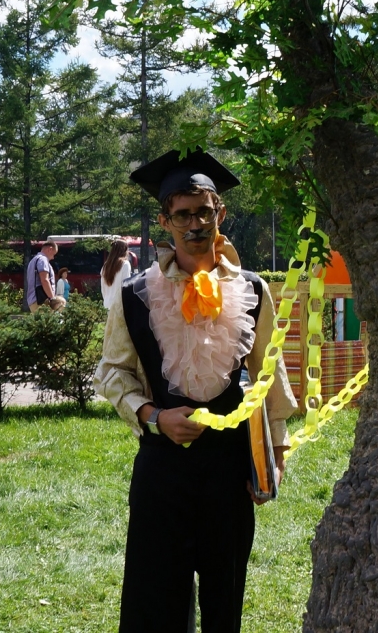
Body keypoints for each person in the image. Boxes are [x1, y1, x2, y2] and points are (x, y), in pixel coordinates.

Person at [94, 147, 298, 633]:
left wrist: (276, 454)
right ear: (165, 222)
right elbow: (112, 372)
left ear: (219, 214)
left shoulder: (253, 290)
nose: (195, 224)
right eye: (183, 215)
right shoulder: (134, 295)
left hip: (229, 470)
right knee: (154, 601)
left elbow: (269, 376)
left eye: (204, 212)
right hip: (162, 470)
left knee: (225, 599)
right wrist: (153, 416)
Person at [26, 241, 64, 313]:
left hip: (34, 300)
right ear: (50, 249)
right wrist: (53, 299)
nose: (53, 258)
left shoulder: (34, 260)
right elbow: (45, 280)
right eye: (53, 254)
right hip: (42, 301)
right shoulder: (43, 259)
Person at [101, 239, 132, 309]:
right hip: (120, 305)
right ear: (124, 250)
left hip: (107, 305)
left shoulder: (105, 266)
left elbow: (103, 289)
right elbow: (126, 286)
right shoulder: (125, 264)